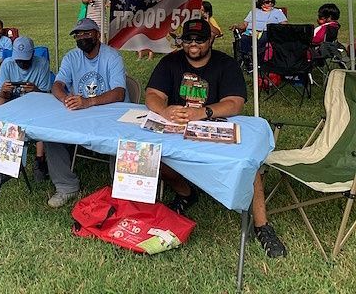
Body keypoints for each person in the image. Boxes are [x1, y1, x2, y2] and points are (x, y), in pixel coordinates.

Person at [145, 18, 287, 258]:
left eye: (200, 39)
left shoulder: (226, 64)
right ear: (181, 40)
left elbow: (236, 103)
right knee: (151, 155)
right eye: (187, 39)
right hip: (177, 127)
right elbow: (152, 95)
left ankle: (263, 226)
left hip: (214, 126)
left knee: (248, 164)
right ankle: (186, 193)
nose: (193, 44)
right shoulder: (169, 62)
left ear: (210, 39)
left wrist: (202, 112)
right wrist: (165, 110)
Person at [46, 18, 126, 207]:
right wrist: (65, 98)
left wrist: (89, 102)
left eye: (87, 33)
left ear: (97, 35)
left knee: (122, 140)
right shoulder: (71, 57)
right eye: (78, 35)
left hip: (110, 113)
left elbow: (119, 93)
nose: (82, 37)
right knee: (50, 135)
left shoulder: (112, 56)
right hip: (80, 113)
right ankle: (66, 186)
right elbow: (57, 85)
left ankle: (122, 192)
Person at [0, 36, 53, 181]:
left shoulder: (42, 64)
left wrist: (35, 90)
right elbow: (3, 95)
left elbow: (46, 95)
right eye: (19, 60)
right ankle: (5, 158)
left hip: (36, 102)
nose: (22, 63)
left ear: (33, 54)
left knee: (43, 111)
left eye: (25, 60)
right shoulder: (7, 64)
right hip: (13, 101)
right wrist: (5, 90)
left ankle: (40, 159)